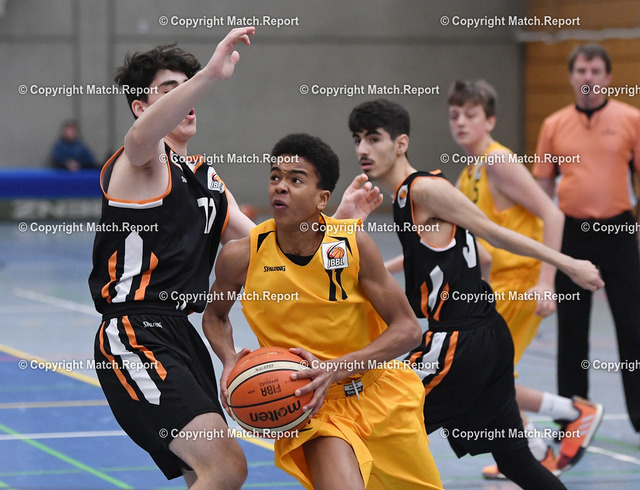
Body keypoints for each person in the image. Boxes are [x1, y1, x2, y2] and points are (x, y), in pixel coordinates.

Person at [88, 29, 382, 488]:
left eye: (188, 87)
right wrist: (209, 74)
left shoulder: (206, 179)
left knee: (205, 472)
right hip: (133, 332)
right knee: (226, 465)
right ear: (141, 107)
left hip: (182, 334)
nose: (187, 98)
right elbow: (141, 136)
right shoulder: (138, 161)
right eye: (171, 89)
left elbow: (272, 245)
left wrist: (338, 220)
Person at [349, 99, 604, 489]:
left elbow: (493, 235)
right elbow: (480, 257)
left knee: (364, 431)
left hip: (458, 342)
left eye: (373, 138)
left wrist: (569, 265)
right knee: (516, 461)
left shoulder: (425, 190)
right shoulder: (407, 196)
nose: (362, 149)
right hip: (486, 335)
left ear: (400, 144)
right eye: (357, 139)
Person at [202, 133, 443, 490]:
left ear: (322, 198)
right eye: (275, 177)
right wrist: (228, 358)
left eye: (295, 179)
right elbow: (215, 316)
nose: (280, 186)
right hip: (310, 405)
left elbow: (408, 329)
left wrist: (336, 368)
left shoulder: (353, 244)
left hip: (379, 395)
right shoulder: (241, 255)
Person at [447, 80, 603, 478]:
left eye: (470, 115)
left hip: (521, 282)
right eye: (454, 115)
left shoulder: (498, 162)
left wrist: (547, 281)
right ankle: (538, 443)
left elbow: (553, 214)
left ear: (490, 120)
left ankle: (563, 423)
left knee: (485, 375)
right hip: (496, 285)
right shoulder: (468, 173)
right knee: (488, 376)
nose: (460, 122)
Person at [533, 43, 640, 438]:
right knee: (572, 331)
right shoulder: (553, 125)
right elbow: (543, 190)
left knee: (633, 327)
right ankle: (572, 418)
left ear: (608, 77)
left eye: (595, 71)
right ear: (571, 77)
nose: (588, 78)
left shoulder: (631, 120)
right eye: (581, 71)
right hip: (572, 235)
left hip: (620, 232)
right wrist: (544, 251)